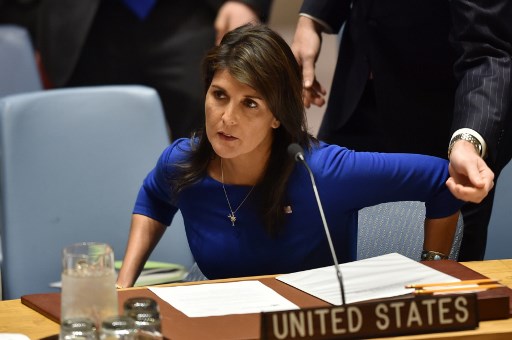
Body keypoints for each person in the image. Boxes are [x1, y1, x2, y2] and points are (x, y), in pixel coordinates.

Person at [116, 24, 463, 287]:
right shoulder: (182, 162)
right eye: (219, 95)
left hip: (311, 327)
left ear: (277, 116)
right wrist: (123, 287)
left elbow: (440, 180)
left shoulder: (323, 171)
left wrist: (433, 272)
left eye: (250, 103)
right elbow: (154, 198)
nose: (227, 118)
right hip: (223, 322)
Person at [291, 0, 510, 260]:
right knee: (319, 261)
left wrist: (467, 140)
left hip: (444, 123)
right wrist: (312, 18)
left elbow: (487, 52)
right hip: (356, 95)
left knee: (443, 286)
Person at [35, 0, 272, 140]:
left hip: (194, 16)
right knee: (89, 143)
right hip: (89, 21)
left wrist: (246, 1)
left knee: (220, 134)